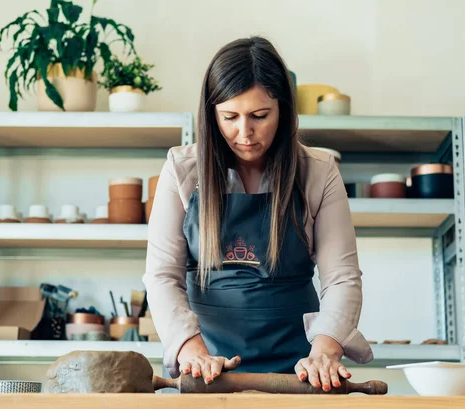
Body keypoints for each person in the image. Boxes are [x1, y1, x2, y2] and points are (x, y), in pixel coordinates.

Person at [143, 36, 373, 392]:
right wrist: (192, 350)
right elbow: (162, 275)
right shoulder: (181, 169)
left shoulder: (318, 171)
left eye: (260, 116)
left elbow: (341, 277)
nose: (244, 133)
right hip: (207, 364)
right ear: (211, 114)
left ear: (283, 110)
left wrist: (325, 351)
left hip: (300, 368)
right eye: (229, 117)